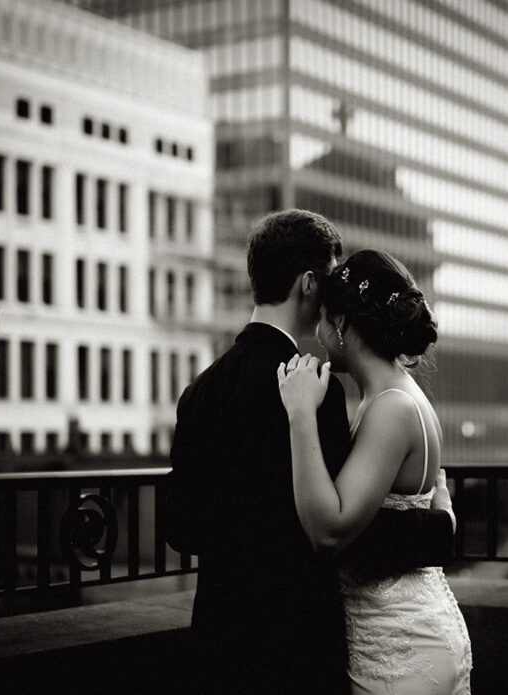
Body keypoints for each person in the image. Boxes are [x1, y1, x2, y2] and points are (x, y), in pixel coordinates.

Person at [167, 210, 456, 694]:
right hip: (296, 647)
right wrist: (437, 526)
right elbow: (341, 532)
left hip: (220, 641)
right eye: (328, 279)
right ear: (307, 284)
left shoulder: (199, 392)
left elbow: (180, 526)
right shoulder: (314, 389)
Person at [277, 249, 472, 694]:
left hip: (402, 650)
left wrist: (300, 412)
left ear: (342, 323)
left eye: (325, 319)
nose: (319, 332)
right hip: (409, 636)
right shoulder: (393, 396)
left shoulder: (391, 407)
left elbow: (329, 530)